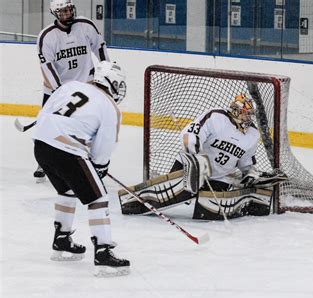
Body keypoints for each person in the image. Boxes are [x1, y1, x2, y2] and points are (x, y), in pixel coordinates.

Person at [119, 93, 287, 220]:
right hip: (192, 167)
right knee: (172, 195)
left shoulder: (252, 134)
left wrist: (249, 173)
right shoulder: (216, 117)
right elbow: (190, 133)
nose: (248, 118)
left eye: (250, 115)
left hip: (220, 177)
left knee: (207, 213)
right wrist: (196, 155)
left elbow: (245, 160)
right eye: (245, 113)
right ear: (235, 110)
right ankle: (133, 201)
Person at [32, 61, 130, 277]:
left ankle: (62, 239)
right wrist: (99, 166)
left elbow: (45, 111)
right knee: (98, 198)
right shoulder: (110, 106)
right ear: (112, 82)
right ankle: (103, 252)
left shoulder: (70, 86)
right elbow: (104, 146)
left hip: (40, 145)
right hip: (67, 150)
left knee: (66, 190)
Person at [34, 0, 110, 180]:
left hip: (86, 86)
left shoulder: (85, 26)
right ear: (55, 14)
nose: (67, 14)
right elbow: (47, 67)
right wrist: (60, 92)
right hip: (56, 91)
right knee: (47, 126)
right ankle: (43, 163)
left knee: (89, 125)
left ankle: (90, 159)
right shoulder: (47, 36)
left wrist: (106, 73)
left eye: (69, 10)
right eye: (63, 12)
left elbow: (100, 48)